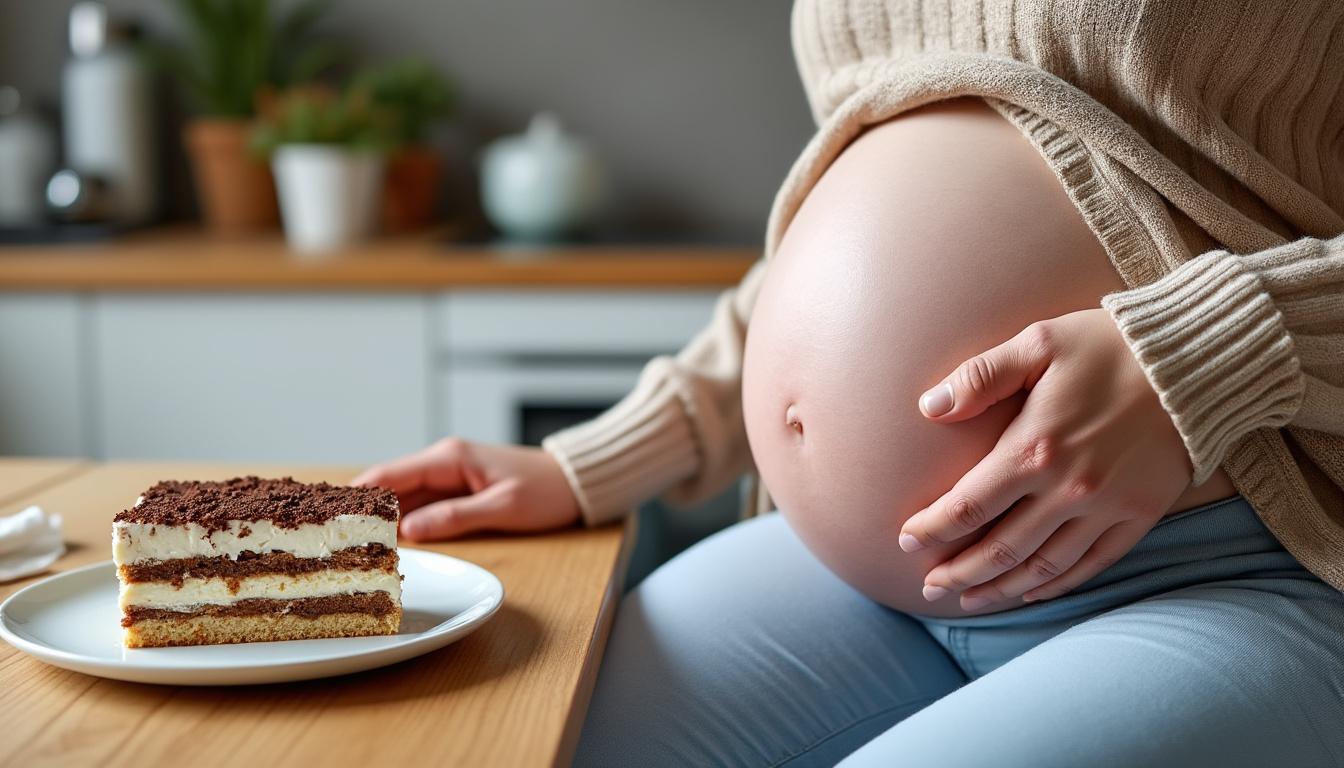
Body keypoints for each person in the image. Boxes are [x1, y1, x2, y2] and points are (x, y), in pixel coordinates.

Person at [356, 1, 1344, 765]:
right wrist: (605, 457)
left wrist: (1213, 348)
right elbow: (866, 211)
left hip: (1232, 570)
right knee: (522, 740)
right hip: (861, 581)